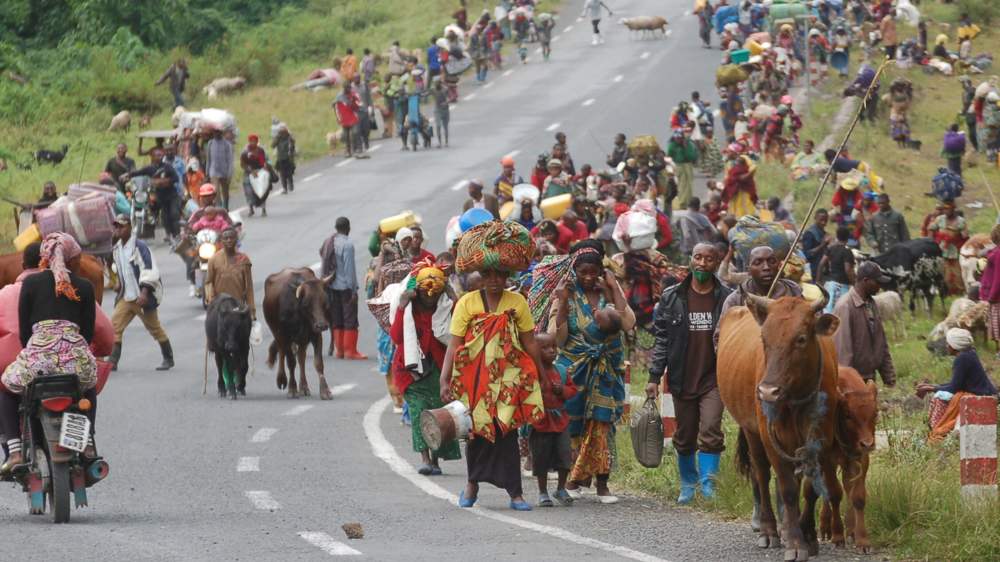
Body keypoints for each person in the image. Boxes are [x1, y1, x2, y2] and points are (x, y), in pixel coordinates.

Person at [439, 226, 543, 511]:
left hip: (508, 381)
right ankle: (471, 485)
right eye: (489, 275)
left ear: (508, 276)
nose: (495, 280)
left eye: (500, 275)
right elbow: (454, 344)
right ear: (481, 276)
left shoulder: (517, 302)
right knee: (476, 433)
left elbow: (530, 343)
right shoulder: (467, 304)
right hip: (474, 381)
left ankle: (515, 494)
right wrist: (444, 378)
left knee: (506, 433)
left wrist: (543, 377)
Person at [0, 235, 100, 473]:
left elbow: (24, 330)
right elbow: (87, 332)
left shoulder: (31, 285)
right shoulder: (85, 287)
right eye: (76, 258)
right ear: (70, 259)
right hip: (74, 358)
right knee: (89, 386)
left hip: (38, 357)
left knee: (6, 387)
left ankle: (14, 451)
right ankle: (87, 443)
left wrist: (37, 350)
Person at [647, 243, 731, 503]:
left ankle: (708, 485)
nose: (702, 263)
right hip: (682, 376)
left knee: (711, 429)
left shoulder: (727, 298)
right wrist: (653, 376)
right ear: (690, 260)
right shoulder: (671, 297)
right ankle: (688, 483)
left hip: (714, 377)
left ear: (717, 263)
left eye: (709, 259)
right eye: (698, 257)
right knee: (684, 434)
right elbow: (662, 339)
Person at [550, 243, 632, 506]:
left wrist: (613, 287)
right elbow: (559, 339)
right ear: (575, 271)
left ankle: (603, 484)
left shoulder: (608, 292)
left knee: (602, 425)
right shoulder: (566, 294)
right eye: (583, 271)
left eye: (593, 271)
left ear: (600, 271)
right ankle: (572, 480)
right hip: (575, 370)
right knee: (574, 427)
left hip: (605, 371)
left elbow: (628, 323)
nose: (587, 276)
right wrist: (562, 302)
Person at [390, 260, 461, 474]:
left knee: (439, 412)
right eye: (425, 295)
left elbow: (460, 326)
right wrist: (402, 307)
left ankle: (436, 459)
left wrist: (453, 295)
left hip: (439, 372)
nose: (429, 299)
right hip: (411, 372)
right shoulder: (408, 311)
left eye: (435, 296)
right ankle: (425, 459)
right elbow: (396, 336)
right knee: (419, 410)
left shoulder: (445, 308)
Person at [109, 215, 172, 371]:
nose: (118, 230)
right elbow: (120, 269)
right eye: (116, 227)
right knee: (114, 327)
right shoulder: (117, 249)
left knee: (155, 328)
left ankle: (168, 358)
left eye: (122, 226)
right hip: (126, 297)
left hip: (140, 297)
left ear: (130, 227)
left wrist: (144, 293)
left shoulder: (140, 247)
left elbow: (149, 270)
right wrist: (118, 283)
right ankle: (113, 361)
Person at [918, 328, 998, 442]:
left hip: (980, 396)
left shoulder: (961, 358)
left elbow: (954, 387)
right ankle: (939, 431)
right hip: (988, 393)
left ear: (954, 346)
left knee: (939, 398)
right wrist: (934, 386)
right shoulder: (970, 353)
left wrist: (932, 388)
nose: (946, 346)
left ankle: (939, 432)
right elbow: (958, 383)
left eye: (948, 343)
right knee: (942, 394)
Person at [529, 332, 578, 506]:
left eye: (554, 347)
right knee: (541, 458)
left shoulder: (562, 371)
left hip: (561, 420)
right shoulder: (532, 372)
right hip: (541, 422)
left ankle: (561, 488)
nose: (551, 351)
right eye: (545, 348)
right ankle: (542, 492)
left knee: (565, 455)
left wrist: (562, 390)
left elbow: (573, 390)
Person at [716, 246, 801, 343]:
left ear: (779, 265)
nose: (766, 267)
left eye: (771, 261)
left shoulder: (794, 293)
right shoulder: (735, 300)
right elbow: (720, 337)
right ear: (748, 269)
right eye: (758, 263)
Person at [832, 262, 896, 387]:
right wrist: (846, 382)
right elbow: (843, 350)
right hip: (853, 381)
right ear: (866, 280)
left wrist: (889, 376)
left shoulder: (871, 304)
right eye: (877, 282)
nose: (880, 287)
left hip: (869, 378)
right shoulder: (845, 306)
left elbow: (880, 341)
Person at [320, 217, 367, 360]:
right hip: (345, 288)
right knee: (350, 319)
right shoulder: (347, 245)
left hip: (331, 286)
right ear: (348, 228)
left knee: (337, 319)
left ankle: (339, 351)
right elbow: (349, 270)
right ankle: (350, 351)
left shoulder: (329, 241)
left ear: (336, 227)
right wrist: (354, 290)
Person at [123, 147, 181, 244]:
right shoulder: (150, 168)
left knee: (174, 214)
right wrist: (127, 175)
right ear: (152, 157)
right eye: (156, 155)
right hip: (161, 197)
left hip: (172, 195)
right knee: (165, 216)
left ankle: (177, 235)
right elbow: (138, 172)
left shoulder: (167, 167)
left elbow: (176, 178)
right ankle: (169, 234)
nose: (159, 157)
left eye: (160, 155)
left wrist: (164, 181)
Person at [205, 227, 255, 320]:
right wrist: (211, 301)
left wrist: (251, 311)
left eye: (232, 238)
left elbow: (249, 287)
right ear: (221, 241)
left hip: (238, 306)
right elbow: (208, 282)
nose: (229, 240)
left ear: (237, 239)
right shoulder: (213, 259)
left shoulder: (244, 259)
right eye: (226, 238)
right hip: (220, 307)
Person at [929, 201, 970, 295]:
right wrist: (931, 242)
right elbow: (931, 228)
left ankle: (961, 291)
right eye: (944, 209)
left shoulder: (960, 221)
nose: (946, 211)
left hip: (955, 250)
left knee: (958, 273)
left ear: (953, 209)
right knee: (944, 272)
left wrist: (956, 234)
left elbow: (965, 236)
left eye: (948, 209)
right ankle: (946, 291)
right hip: (942, 250)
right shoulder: (940, 219)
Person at [817, 226, 856, 314]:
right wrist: (854, 283)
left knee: (827, 311)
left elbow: (821, 264)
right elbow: (848, 270)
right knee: (840, 313)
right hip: (842, 287)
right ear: (847, 238)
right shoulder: (847, 252)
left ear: (837, 236)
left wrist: (818, 281)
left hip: (830, 284)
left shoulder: (831, 248)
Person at [979, 225, 1000, 350]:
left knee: (997, 323)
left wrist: (992, 296)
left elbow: (998, 278)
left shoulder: (998, 254)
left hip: (996, 297)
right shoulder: (996, 252)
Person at [240, 134, 271, 217]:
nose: (253, 143)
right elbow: (243, 164)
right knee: (248, 190)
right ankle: (251, 208)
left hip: (260, 172)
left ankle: (263, 209)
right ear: (249, 142)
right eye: (251, 141)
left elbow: (263, 161)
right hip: (249, 173)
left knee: (263, 189)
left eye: (255, 141)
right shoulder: (245, 152)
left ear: (257, 142)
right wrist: (251, 171)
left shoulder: (260, 150)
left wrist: (265, 167)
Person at [667, 130, 699, 209]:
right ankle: (682, 203)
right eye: (677, 138)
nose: (678, 140)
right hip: (678, 166)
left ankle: (688, 202)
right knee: (681, 185)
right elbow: (669, 156)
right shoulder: (672, 145)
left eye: (680, 138)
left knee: (688, 185)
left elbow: (691, 157)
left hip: (687, 165)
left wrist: (685, 148)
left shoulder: (689, 145)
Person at [721, 150, 757, 218]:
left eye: (730, 152)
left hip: (744, 190)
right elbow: (731, 177)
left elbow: (752, 169)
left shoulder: (745, 162)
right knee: (735, 207)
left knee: (746, 205)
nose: (728, 154)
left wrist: (749, 173)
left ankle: (747, 218)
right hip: (735, 191)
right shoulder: (731, 166)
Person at [205, 129, 235, 210]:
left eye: (218, 132)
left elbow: (230, 160)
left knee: (225, 192)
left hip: (224, 171)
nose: (216, 134)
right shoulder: (210, 143)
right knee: (216, 190)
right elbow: (209, 159)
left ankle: (226, 206)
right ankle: (220, 207)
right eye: (215, 132)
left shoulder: (227, 144)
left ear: (221, 132)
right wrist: (207, 173)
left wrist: (229, 174)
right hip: (213, 171)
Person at [333, 83, 361, 158]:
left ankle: (356, 149)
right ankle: (348, 151)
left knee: (355, 133)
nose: (349, 90)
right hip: (344, 118)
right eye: (347, 89)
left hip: (353, 117)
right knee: (346, 136)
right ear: (344, 88)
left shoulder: (353, 94)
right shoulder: (339, 96)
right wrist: (338, 118)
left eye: (350, 88)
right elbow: (335, 107)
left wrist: (354, 102)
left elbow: (358, 104)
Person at [801, 209, 830, 278]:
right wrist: (823, 245)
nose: (823, 223)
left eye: (825, 220)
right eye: (821, 220)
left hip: (822, 271)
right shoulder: (809, 233)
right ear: (815, 218)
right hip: (812, 271)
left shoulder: (824, 233)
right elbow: (807, 254)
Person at [271, 125, 296, 194]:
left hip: (288, 159)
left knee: (289, 173)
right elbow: (272, 145)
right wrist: (277, 138)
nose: (282, 134)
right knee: (282, 175)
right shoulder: (278, 138)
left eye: (283, 132)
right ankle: (285, 188)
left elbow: (293, 144)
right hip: (281, 159)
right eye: (281, 132)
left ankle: (290, 184)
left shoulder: (289, 138)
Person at [432, 78, 450, 147]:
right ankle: (439, 142)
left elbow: (449, 97)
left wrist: (446, 102)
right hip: (437, 110)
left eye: (437, 83)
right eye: (435, 83)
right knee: (438, 126)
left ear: (440, 83)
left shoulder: (445, 89)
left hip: (445, 109)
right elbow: (425, 94)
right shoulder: (433, 90)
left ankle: (446, 142)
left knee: (445, 126)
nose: (435, 84)